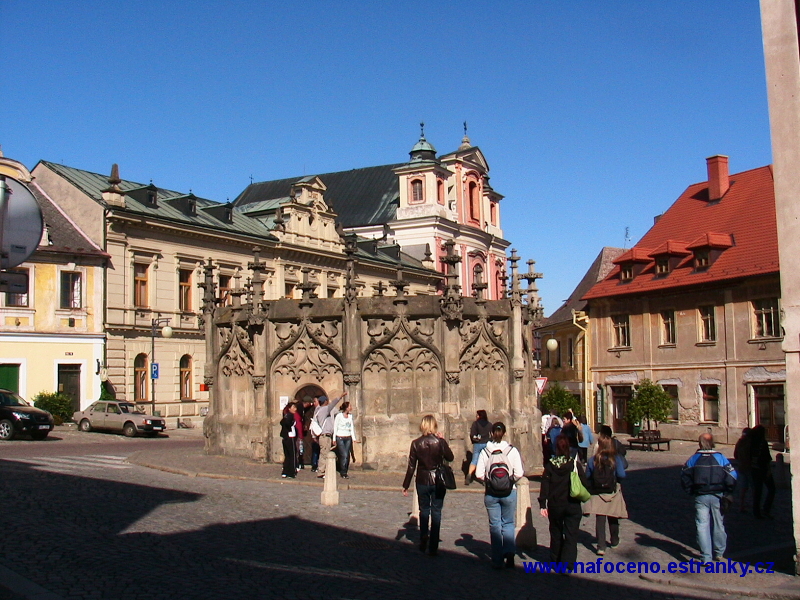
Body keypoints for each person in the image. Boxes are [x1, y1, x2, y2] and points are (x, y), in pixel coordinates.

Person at [402, 415, 454, 556]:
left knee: (424, 510)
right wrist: (443, 441)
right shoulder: (440, 442)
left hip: (422, 480)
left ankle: (424, 535)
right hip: (438, 480)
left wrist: (405, 485)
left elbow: (411, 466)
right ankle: (434, 543)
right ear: (434, 426)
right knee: (436, 511)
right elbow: (451, 457)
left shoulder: (416, 443)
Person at [681, 433, 737, 564]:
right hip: (718, 495)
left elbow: (684, 475)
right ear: (713, 443)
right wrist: (729, 490)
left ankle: (706, 557)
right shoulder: (720, 458)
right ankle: (719, 553)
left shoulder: (694, 459)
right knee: (719, 525)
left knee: (702, 526)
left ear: (700, 444)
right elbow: (733, 475)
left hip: (701, 495)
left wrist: (690, 490)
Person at [475, 422, 524, 569]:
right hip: (509, 491)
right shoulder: (512, 451)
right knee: (508, 523)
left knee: (495, 525)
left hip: (491, 493)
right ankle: (509, 552)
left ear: (491, 433)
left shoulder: (485, 451)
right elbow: (519, 473)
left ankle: (497, 558)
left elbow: (478, 474)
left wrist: (490, 481)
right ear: (504, 433)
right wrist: (509, 481)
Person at [538, 434, 587, 571]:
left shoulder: (550, 466)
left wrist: (543, 504)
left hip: (555, 504)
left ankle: (555, 560)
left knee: (556, 533)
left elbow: (545, 485)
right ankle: (568, 564)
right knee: (571, 535)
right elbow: (584, 482)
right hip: (572, 504)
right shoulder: (574, 465)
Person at [585, 435, 627, 555]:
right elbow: (622, 475)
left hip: (598, 492)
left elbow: (587, 475)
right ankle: (614, 540)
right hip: (612, 491)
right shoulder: (616, 459)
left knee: (600, 519)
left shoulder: (593, 460)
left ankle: (601, 546)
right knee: (613, 515)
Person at [312, 392, 347, 478]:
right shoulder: (324, 409)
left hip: (325, 436)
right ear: (325, 402)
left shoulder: (318, 410)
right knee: (324, 454)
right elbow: (333, 403)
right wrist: (341, 396)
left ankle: (324, 470)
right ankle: (321, 472)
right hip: (325, 436)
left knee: (325, 453)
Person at [749, 425, 775, 519]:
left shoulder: (751, 442)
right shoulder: (762, 443)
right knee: (772, 489)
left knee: (757, 491)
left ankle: (756, 512)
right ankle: (766, 509)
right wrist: (768, 470)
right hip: (763, 469)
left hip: (754, 469)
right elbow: (766, 458)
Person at [467, 410, 492, 485]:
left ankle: (469, 474)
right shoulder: (489, 424)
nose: (476, 416)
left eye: (477, 415)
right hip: (486, 443)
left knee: (474, 460)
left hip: (478, 443)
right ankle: (485, 477)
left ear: (480, 416)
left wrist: (474, 440)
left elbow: (472, 434)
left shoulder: (475, 424)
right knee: (486, 460)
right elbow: (492, 434)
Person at [333, 401, 356, 479]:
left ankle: (345, 470)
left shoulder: (350, 416)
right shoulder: (339, 416)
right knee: (344, 454)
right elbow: (335, 427)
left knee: (347, 455)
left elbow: (351, 428)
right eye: (350, 406)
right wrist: (334, 438)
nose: (351, 407)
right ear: (346, 408)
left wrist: (354, 438)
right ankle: (342, 471)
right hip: (340, 437)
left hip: (348, 437)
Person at [733, 427, 752, 513]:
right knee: (753, 487)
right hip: (750, 467)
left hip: (741, 466)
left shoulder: (740, 442)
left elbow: (735, 455)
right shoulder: (750, 443)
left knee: (743, 487)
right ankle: (753, 504)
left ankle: (742, 504)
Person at [279, 402, 298, 478]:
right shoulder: (290, 415)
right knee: (292, 455)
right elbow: (285, 423)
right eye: (293, 407)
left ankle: (285, 471)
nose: (295, 409)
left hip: (286, 437)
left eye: (295, 407)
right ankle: (291, 472)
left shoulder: (286, 415)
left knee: (287, 455)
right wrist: (289, 427)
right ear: (289, 408)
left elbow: (282, 422)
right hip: (290, 437)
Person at [293, 400, 305, 471]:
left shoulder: (298, 416)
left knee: (300, 450)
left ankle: (299, 463)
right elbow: (298, 426)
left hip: (299, 435)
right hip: (297, 435)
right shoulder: (296, 416)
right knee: (298, 450)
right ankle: (298, 464)